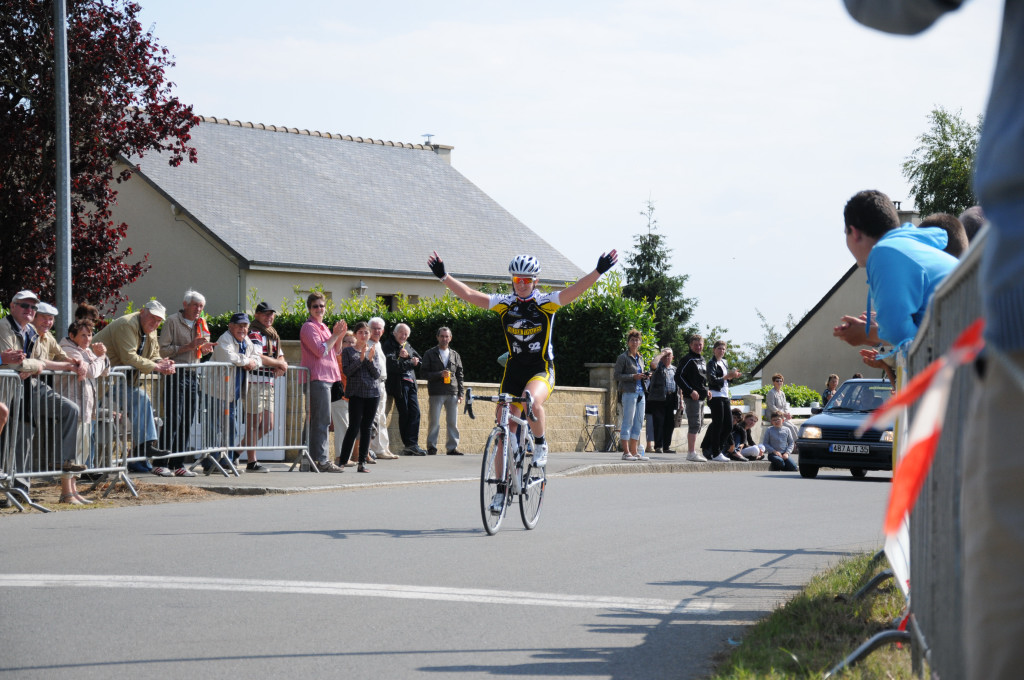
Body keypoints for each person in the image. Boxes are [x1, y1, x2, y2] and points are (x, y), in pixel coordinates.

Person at [842, 6, 1024, 677]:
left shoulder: (887, 255)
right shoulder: (918, 244)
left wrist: (880, 339)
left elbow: (895, 9)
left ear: (854, 235)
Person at [428, 249, 617, 511]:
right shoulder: (506, 304)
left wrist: (598, 271)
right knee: (503, 429)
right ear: (512, 282)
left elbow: (575, 291)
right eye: (518, 280)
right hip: (514, 371)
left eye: (527, 280)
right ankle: (501, 490)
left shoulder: (547, 303)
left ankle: (540, 443)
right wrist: (444, 276)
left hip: (541, 370)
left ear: (535, 282)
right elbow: (471, 296)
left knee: (529, 400)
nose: (522, 285)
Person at [833, 189, 958, 351]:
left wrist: (867, 334)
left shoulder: (884, 253)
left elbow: (900, 335)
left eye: (846, 233)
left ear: (854, 233)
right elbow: (916, 336)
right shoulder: (908, 246)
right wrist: (877, 332)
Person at [0, 291, 83, 490]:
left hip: (30, 386)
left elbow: (40, 361)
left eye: (33, 307)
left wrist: (72, 364)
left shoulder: (31, 331)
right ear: (12, 307)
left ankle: (63, 462)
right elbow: (15, 365)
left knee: (70, 410)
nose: (29, 310)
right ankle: (18, 489)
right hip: (9, 387)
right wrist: (35, 366)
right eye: (24, 306)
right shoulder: (4, 326)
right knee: (19, 434)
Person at [93, 300, 176, 475]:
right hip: (99, 380)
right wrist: (157, 367)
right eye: (152, 318)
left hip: (118, 381)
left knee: (142, 399)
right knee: (92, 421)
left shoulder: (150, 330)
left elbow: (153, 355)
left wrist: (162, 362)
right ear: (141, 312)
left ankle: (144, 448)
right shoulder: (127, 324)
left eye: (158, 320)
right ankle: (90, 467)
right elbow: (129, 357)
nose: (154, 323)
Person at [158, 290, 215, 476]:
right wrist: (188, 347)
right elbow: (162, 350)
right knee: (174, 419)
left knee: (187, 420)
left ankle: (178, 464)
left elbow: (200, 351)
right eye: (195, 305)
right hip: (175, 373)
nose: (198, 309)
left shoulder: (201, 323)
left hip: (192, 374)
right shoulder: (172, 321)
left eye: (201, 306)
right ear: (185, 304)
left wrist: (204, 350)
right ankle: (161, 462)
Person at [57, 319, 110, 503]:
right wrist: (101, 357)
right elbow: (92, 372)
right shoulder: (68, 349)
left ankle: (73, 490)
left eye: (90, 334)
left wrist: (101, 358)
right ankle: (66, 493)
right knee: (71, 452)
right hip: (73, 406)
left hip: (87, 408)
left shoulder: (86, 350)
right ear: (72, 336)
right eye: (83, 335)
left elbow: (104, 372)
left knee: (81, 452)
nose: (88, 339)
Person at [204, 313, 262, 473]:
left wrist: (252, 362)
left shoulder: (247, 341)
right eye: (238, 325)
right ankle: (210, 463)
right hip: (217, 392)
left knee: (231, 428)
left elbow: (258, 359)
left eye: (245, 326)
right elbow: (229, 357)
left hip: (232, 393)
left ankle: (226, 461)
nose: (242, 329)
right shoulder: (225, 339)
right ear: (231, 326)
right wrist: (247, 361)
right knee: (215, 428)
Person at [298, 292, 346, 473]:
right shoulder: (309, 327)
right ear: (310, 309)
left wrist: (339, 336)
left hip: (327, 378)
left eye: (321, 306)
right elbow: (320, 351)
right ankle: (321, 460)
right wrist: (334, 335)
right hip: (317, 377)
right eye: (315, 306)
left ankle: (310, 460)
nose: (319, 309)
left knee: (318, 420)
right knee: (321, 420)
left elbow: (336, 350)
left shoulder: (324, 327)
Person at [242, 301, 288, 473]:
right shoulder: (254, 332)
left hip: (267, 382)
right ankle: (251, 462)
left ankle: (236, 452)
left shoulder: (273, 334)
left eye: (271, 314)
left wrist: (281, 364)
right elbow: (259, 356)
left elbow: (281, 357)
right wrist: (279, 364)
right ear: (257, 315)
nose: (269, 317)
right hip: (254, 381)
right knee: (254, 423)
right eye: (265, 314)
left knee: (268, 425)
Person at [338, 321, 381, 473]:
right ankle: (342, 461)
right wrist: (361, 359)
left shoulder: (372, 350)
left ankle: (362, 462)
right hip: (356, 393)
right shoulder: (348, 352)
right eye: (360, 332)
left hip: (372, 393)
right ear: (356, 334)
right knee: (353, 427)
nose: (363, 335)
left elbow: (376, 374)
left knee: (367, 428)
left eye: (366, 333)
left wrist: (369, 360)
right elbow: (348, 372)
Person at [382, 323, 426, 455]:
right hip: (398, 385)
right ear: (395, 333)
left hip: (411, 384)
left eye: (406, 334)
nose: (404, 336)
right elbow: (391, 366)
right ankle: (409, 444)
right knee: (405, 413)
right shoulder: (389, 345)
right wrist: (408, 361)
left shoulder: (408, 345)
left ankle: (413, 444)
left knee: (415, 412)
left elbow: (420, 361)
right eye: (401, 332)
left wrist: (408, 358)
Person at [420, 326, 465, 456]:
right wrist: (440, 374)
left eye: (447, 336)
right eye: (442, 336)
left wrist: (461, 393)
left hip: (452, 392)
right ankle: (432, 447)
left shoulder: (455, 355)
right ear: (437, 337)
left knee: (453, 422)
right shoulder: (430, 353)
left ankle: (452, 448)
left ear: (450, 338)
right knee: (434, 422)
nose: (444, 339)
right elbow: (423, 373)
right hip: (436, 392)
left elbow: (460, 375)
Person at [702, 340, 743, 462]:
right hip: (715, 396)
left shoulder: (724, 362)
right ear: (714, 350)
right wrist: (727, 376)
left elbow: (726, 380)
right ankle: (716, 452)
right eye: (719, 348)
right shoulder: (711, 363)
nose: (721, 351)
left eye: (723, 349)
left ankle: (717, 449)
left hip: (725, 395)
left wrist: (733, 376)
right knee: (718, 424)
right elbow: (713, 380)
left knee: (729, 425)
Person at [614, 329, 650, 462]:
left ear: (640, 342)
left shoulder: (640, 358)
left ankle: (634, 452)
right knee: (627, 421)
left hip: (641, 392)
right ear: (628, 342)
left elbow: (640, 375)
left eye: (637, 340)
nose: (635, 342)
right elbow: (616, 376)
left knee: (639, 422)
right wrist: (633, 376)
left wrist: (645, 376)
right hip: (629, 392)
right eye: (632, 340)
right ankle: (626, 452)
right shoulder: (623, 357)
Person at [366, 317, 398, 460]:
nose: (377, 331)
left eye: (379, 328)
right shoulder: (367, 345)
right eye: (374, 328)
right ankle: (377, 450)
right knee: (376, 418)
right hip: (373, 384)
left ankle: (384, 448)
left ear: (383, 330)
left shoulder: (378, 344)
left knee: (382, 417)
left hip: (382, 383)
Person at [676, 334, 709, 462]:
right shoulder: (687, 359)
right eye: (695, 345)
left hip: (701, 397)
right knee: (694, 424)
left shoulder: (702, 360)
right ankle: (691, 452)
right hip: (692, 398)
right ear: (690, 345)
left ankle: (693, 451)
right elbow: (678, 377)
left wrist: (707, 390)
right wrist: (690, 391)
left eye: (700, 344)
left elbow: (702, 379)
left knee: (699, 424)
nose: (698, 347)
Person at [646, 347, 679, 453]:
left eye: (669, 355)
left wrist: (681, 400)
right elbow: (653, 364)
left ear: (672, 357)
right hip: (658, 398)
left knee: (669, 423)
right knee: (659, 422)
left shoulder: (674, 369)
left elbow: (679, 386)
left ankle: (666, 446)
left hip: (671, 397)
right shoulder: (658, 367)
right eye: (665, 356)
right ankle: (658, 446)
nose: (667, 357)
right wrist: (662, 353)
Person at [333, 331, 356, 466]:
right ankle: (340, 457)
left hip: (351, 396)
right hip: (340, 395)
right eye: (346, 341)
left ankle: (344, 457)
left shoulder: (354, 356)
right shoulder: (338, 356)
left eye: (352, 342)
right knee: (343, 427)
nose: (349, 344)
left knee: (348, 427)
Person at [764, 373, 800, 443]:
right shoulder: (771, 393)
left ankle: (799, 444)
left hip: (782, 416)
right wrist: (783, 414)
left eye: (781, 381)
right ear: (774, 382)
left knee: (795, 427)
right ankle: (795, 446)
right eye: (777, 381)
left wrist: (787, 414)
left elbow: (785, 406)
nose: (779, 382)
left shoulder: (782, 393)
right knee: (791, 428)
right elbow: (772, 407)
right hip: (774, 416)